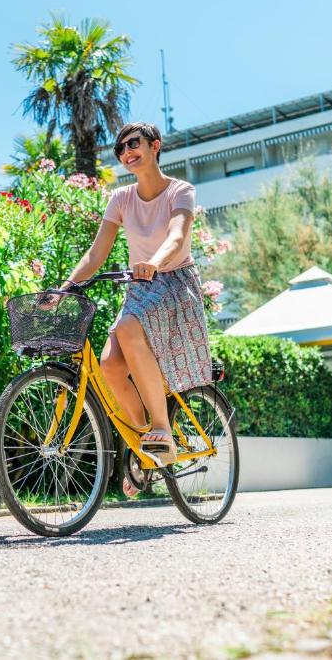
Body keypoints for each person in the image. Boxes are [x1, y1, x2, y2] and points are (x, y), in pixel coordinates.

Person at [56, 121, 212, 470]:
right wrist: (64, 288)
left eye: (133, 144)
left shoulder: (180, 190)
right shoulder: (121, 198)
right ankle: (149, 445)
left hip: (174, 282)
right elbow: (96, 255)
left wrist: (153, 263)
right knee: (110, 364)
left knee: (126, 329)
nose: (127, 152)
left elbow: (176, 237)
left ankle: (162, 427)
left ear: (155, 145)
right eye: (121, 149)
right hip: (141, 287)